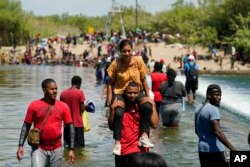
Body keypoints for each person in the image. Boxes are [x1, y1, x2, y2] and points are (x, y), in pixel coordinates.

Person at [107, 39, 153, 155]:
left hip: (136, 91)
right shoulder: (115, 63)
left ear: (132, 50)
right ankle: (117, 142)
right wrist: (110, 103)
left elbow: (143, 80)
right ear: (120, 52)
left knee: (147, 107)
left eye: (129, 51)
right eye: (124, 51)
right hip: (120, 92)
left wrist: (149, 97)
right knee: (118, 113)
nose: (126, 53)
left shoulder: (138, 61)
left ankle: (144, 135)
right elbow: (110, 83)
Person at [16, 78, 75, 166]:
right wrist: (21, 145)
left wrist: (71, 149)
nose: (55, 91)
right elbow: (26, 126)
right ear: (44, 90)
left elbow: (70, 128)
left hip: (57, 149)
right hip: (39, 149)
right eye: (51, 89)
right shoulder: (34, 105)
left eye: (56, 89)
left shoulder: (63, 106)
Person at [108, 81, 159, 167]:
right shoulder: (119, 105)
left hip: (140, 151)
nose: (132, 95)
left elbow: (155, 125)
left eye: (135, 93)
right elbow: (111, 126)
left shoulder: (143, 106)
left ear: (139, 93)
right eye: (129, 93)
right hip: (122, 151)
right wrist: (112, 109)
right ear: (124, 92)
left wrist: (153, 105)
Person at [195, 84, 236, 167]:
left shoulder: (198, 107)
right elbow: (218, 132)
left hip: (202, 150)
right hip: (215, 150)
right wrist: (232, 148)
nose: (219, 97)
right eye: (216, 95)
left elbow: (196, 130)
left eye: (220, 95)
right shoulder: (213, 109)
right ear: (209, 95)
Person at [60, 75, 86, 147]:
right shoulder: (80, 93)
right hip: (77, 125)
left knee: (68, 148)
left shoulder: (63, 93)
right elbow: (82, 109)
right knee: (79, 149)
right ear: (79, 84)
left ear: (72, 83)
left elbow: (62, 109)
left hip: (67, 126)